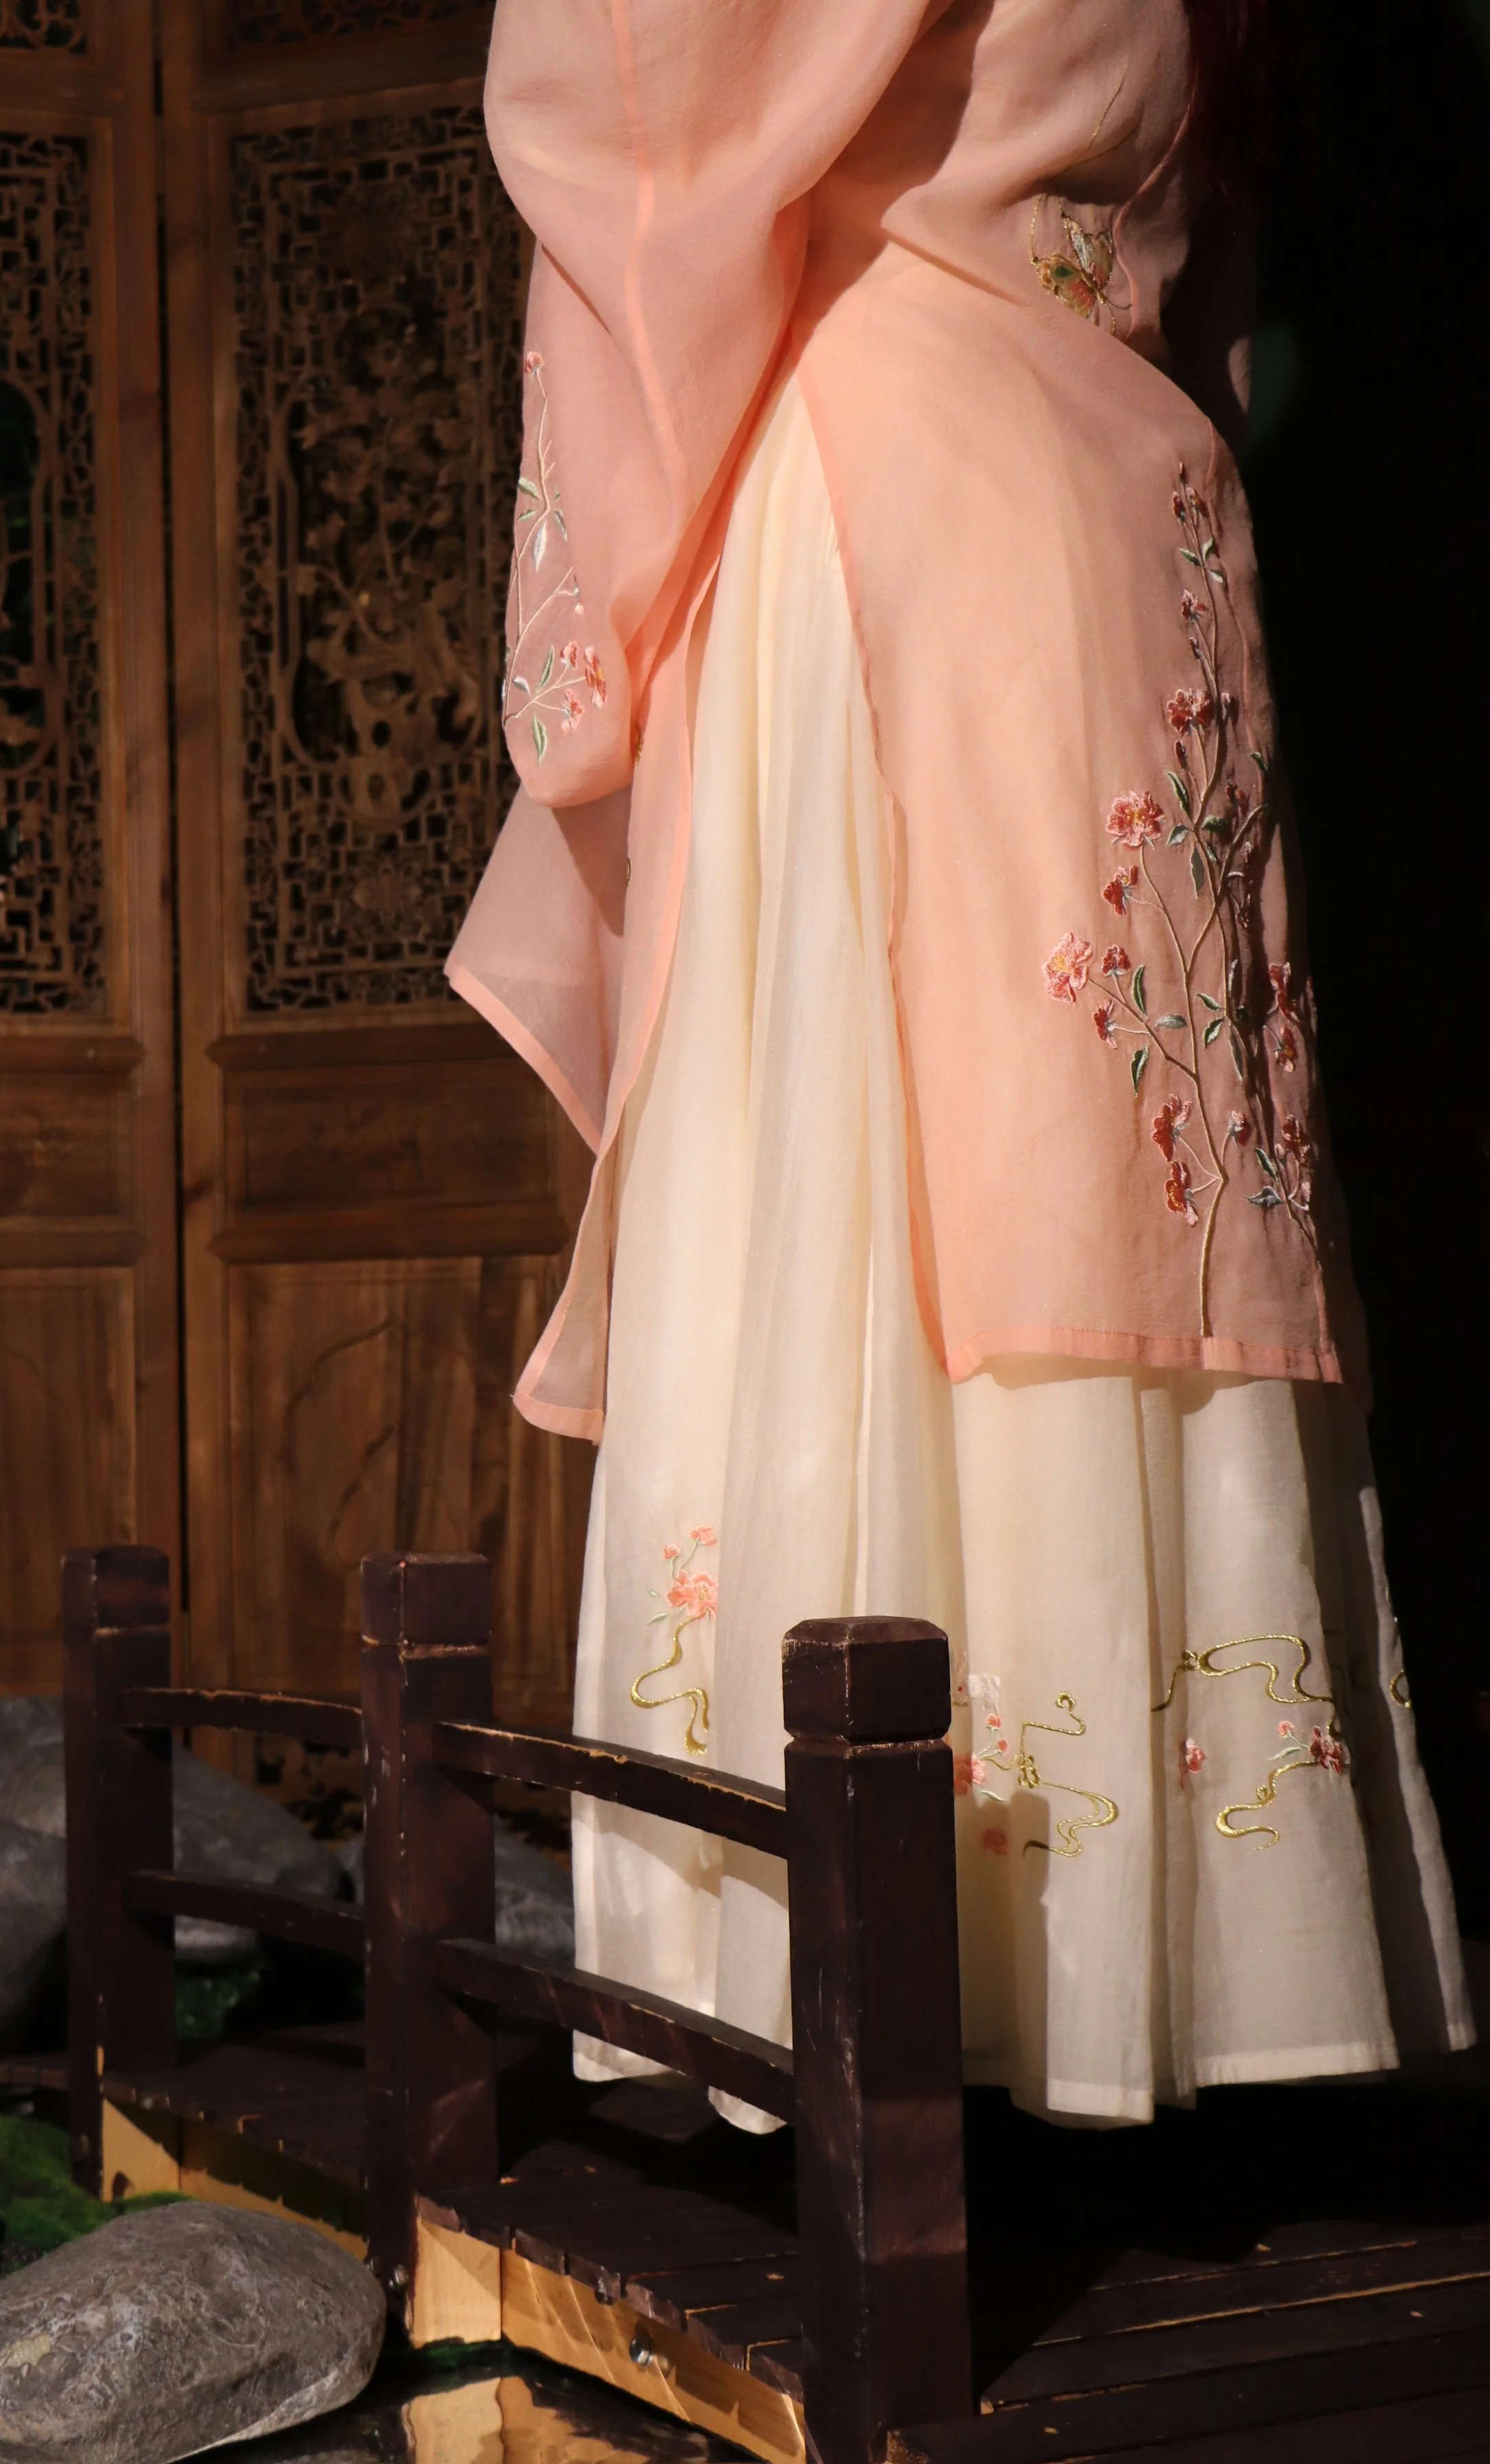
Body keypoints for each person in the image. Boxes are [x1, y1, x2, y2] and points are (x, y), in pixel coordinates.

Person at [448, 0, 1474, 2124]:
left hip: (897, 489)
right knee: (1107, 1176)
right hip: (1131, 498)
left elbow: (613, 81)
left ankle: (837, 1949)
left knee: (857, 1177)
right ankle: (1140, 1967)